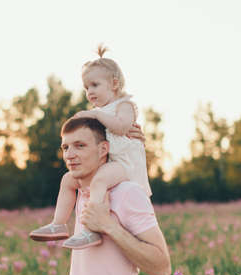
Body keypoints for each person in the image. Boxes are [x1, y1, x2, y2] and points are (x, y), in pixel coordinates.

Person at [30, 45, 151, 249]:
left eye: (95, 85)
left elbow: (122, 127)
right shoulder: (99, 112)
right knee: (68, 179)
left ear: (114, 84)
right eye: (86, 88)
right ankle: (58, 224)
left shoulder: (124, 105)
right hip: (109, 162)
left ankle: (91, 230)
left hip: (125, 164)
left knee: (99, 181)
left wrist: (95, 115)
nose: (89, 92)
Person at [60, 116, 171, 275]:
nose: (70, 155)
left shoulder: (127, 192)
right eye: (65, 147)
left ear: (104, 149)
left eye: (80, 145)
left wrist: (108, 225)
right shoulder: (79, 193)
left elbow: (163, 269)